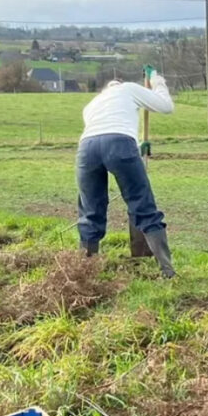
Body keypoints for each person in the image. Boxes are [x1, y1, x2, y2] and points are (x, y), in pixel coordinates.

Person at [76, 69, 176, 278]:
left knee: (90, 212)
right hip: (120, 143)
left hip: (86, 148)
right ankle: (167, 272)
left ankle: (84, 272)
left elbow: (103, 136)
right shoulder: (128, 89)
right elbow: (166, 106)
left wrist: (137, 147)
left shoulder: (92, 104)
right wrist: (157, 81)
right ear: (120, 83)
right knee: (142, 205)